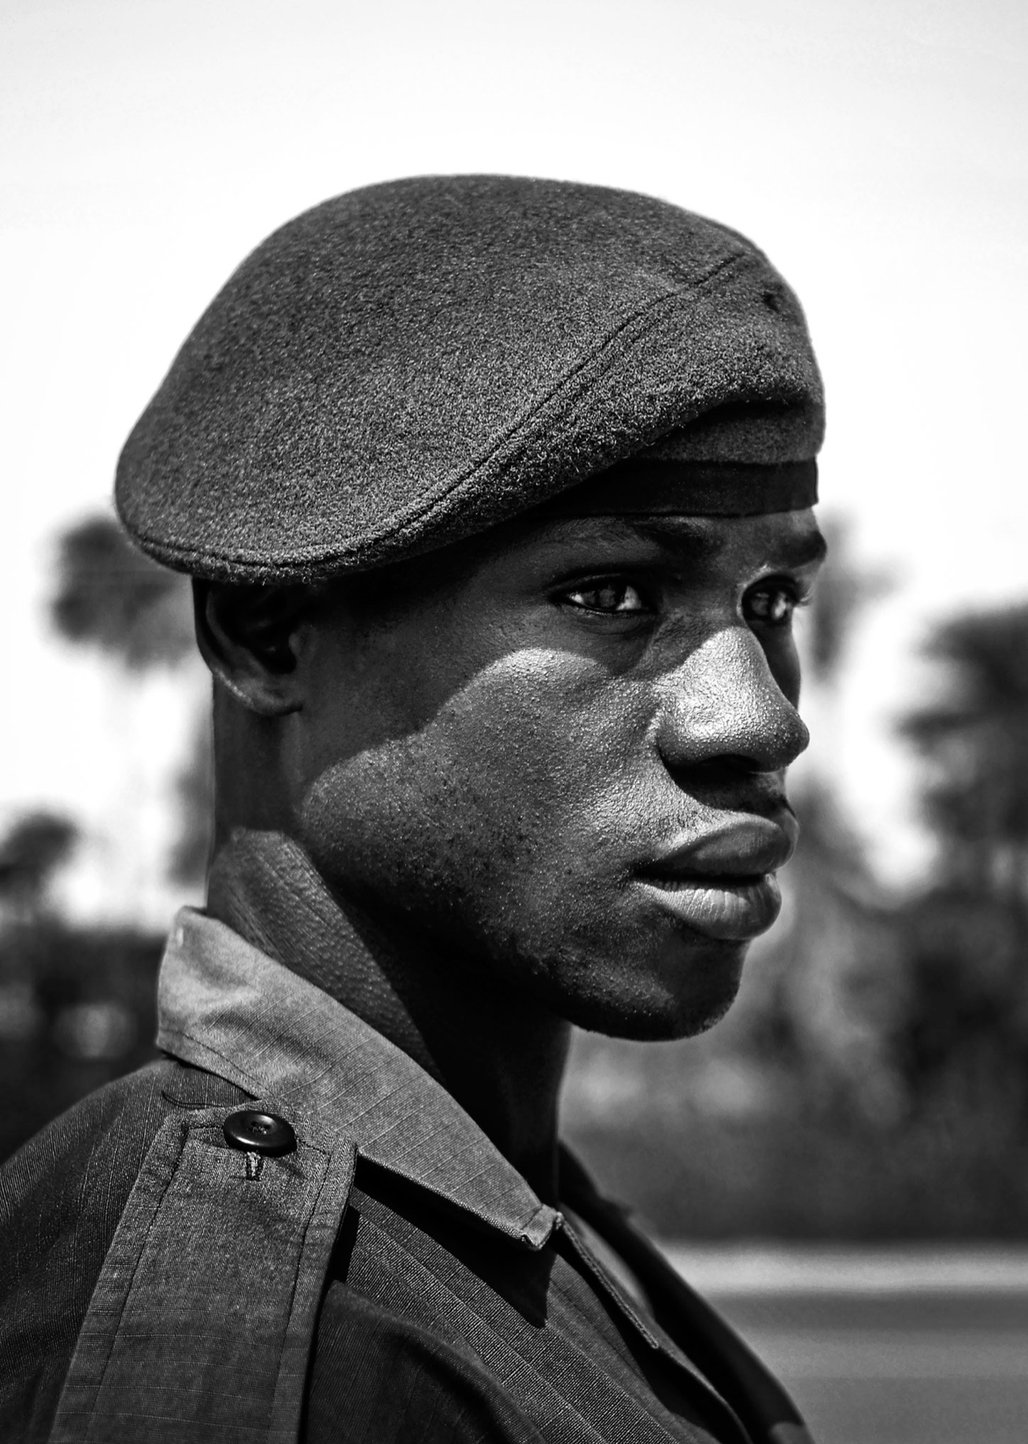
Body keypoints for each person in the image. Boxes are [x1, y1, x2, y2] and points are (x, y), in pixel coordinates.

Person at [0, 175, 827, 1443]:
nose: (758, 720)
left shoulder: (508, 1232)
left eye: (770, 602)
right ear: (268, 633)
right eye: (609, 594)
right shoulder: (236, 1334)